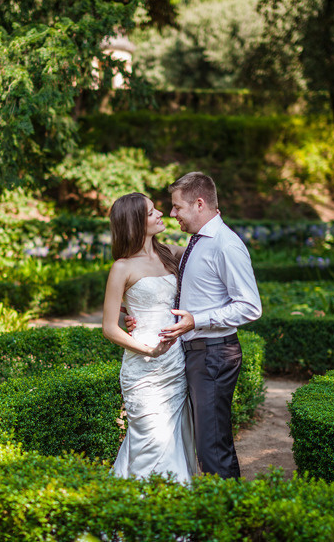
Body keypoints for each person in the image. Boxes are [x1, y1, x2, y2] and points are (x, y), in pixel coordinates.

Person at [139, 172, 262, 479]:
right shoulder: (197, 242)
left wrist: (198, 320)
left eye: (177, 207)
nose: (172, 213)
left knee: (211, 446)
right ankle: (227, 510)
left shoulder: (225, 245)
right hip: (197, 353)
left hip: (213, 354)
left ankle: (225, 518)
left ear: (199, 203)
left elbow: (250, 306)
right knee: (209, 442)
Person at [102, 192, 197, 483]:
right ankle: (135, 509)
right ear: (135, 222)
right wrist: (146, 347)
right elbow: (109, 327)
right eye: (152, 212)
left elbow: (205, 248)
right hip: (143, 365)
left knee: (176, 437)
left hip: (175, 362)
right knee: (148, 438)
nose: (161, 215)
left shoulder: (169, 253)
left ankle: (174, 508)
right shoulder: (121, 267)